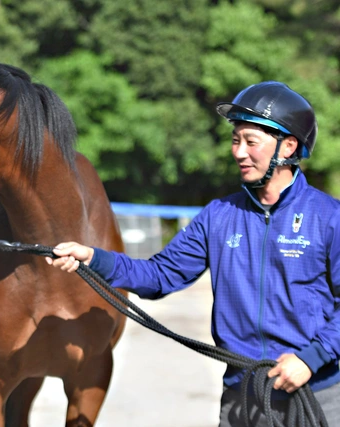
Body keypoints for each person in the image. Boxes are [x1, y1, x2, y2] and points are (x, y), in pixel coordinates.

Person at [46, 81, 340, 425]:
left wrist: (309, 359)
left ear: (288, 146)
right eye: (235, 140)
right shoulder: (218, 216)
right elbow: (158, 276)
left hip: (317, 395)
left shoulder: (329, 218)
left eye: (250, 142)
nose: (239, 152)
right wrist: (94, 259)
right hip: (242, 397)